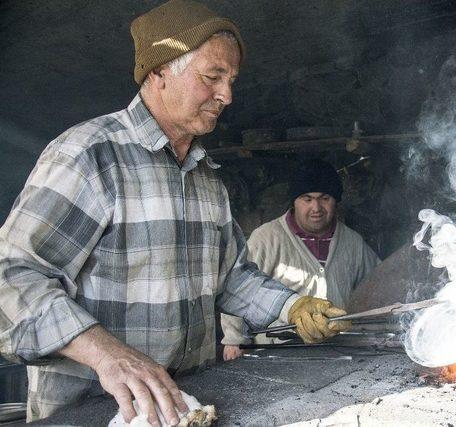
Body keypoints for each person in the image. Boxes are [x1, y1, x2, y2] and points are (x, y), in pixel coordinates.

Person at [0, 1, 350, 424]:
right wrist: (108, 354)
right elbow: (14, 276)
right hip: (91, 411)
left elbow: (230, 278)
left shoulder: (205, 175)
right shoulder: (89, 156)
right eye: (212, 77)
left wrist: (292, 307)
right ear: (159, 72)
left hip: (187, 406)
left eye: (231, 80)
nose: (227, 95)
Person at [221, 159, 381, 360]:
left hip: (339, 350)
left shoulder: (353, 242)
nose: (316, 207)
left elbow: (378, 283)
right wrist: (234, 339)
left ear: (336, 200)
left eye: (324, 198)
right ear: (294, 202)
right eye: (307, 198)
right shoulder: (266, 238)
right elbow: (237, 286)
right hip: (279, 351)